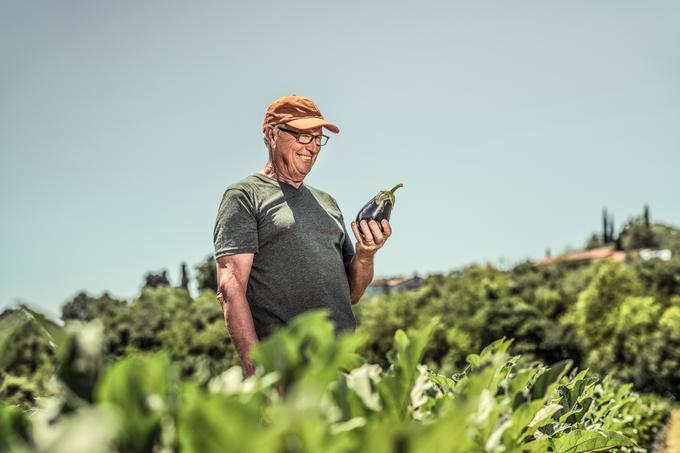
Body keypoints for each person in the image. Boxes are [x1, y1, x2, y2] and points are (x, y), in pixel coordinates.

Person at [213, 94, 392, 376]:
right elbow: (230, 286)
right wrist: (256, 371)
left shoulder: (327, 202)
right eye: (302, 136)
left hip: (341, 368)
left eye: (318, 138)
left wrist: (366, 254)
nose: (312, 147)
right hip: (286, 369)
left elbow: (353, 293)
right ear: (272, 134)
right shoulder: (245, 195)